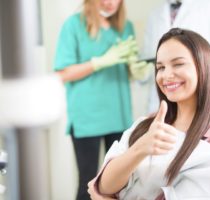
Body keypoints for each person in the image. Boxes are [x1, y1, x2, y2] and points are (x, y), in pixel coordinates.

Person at [87, 28, 210, 200]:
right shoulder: (148, 123)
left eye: (178, 64)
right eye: (160, 67)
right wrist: (140, 148)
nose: (166, 75)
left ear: (203, 67)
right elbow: (103, 185)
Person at [53, 0, 148, 199]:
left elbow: (127, 70)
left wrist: (136, 71)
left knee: (121, 183)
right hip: (87, 119)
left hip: (119, 116)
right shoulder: (73, 25)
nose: (110, 2)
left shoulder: (125, 26)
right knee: (88, 180)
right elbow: (62, 73)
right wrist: (99, 62)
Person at [142, 0, 210, 113]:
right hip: (159, 105)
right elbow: (149, 61)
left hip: (199, 105)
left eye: (179, 64)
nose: (168, 73)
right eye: (162, 68)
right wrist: (143, 72)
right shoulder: (154, 15)